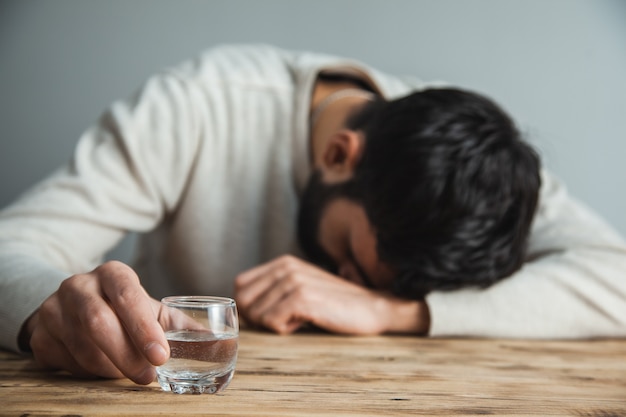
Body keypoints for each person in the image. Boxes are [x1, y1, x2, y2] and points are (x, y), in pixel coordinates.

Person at [0, 44, 624, 386]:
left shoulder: (476, 168)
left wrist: (394, 311)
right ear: (338, 154)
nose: (346, 286)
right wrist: (46, 315)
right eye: (355, 259)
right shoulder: (200, 108)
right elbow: (15, 244)